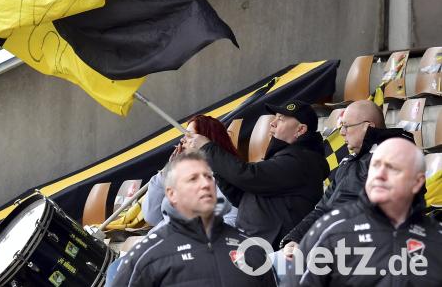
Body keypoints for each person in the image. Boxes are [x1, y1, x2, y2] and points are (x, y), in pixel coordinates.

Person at [290, 138, 442, 286]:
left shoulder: (436, 239)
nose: (380, 175)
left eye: (392, 168)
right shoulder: (332, 228)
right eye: (375, 166)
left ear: (417, 183)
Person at [111, 152, 276, 287]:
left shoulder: (250, 248)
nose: (204, 184)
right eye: (192, 179)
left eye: (208, 176)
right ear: (171, 194)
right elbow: (150, 215)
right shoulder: (144, 256)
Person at [281, 100, 415, 257]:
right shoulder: (348, 163)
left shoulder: (393, 158)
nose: (342, 132)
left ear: (368, 127)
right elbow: (322, 210)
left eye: (346, 126)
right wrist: (296, 238)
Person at [187, 100, 329, 248]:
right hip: (254, 245)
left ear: (300, 130)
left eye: (280, 119)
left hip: (272, 250)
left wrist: (208, 148)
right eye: (274, 118)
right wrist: (214, 165)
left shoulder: (301, 161)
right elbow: (242, 197)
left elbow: (248, 176)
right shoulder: (286, 156)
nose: (272, 123)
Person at [144, 115, 240, 228]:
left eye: (189, 136)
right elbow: (152, 217)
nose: (182, 140)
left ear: (206, 140)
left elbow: (230, 222)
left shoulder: (221, 176)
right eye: (184, 135)